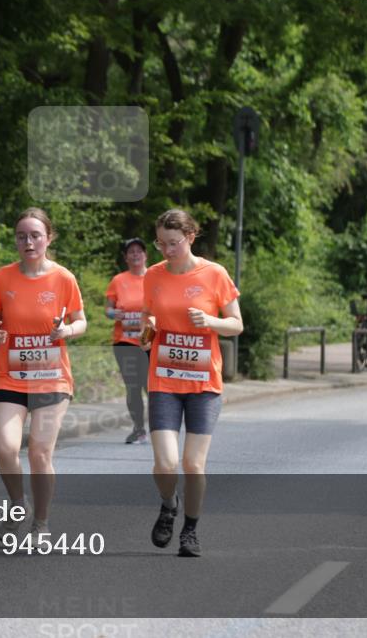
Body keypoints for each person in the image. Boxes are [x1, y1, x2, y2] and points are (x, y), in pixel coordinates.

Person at [140, 209, 242, 557]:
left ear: (190, 237)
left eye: (174, 243)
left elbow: (236, 324)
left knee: (193, 465)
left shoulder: (214, 274)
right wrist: (147, 331)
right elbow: (147, 315)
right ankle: (170, 504)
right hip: (164, 379)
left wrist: (211, 321)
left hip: (203, 383)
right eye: (161, 243)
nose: (167, 250)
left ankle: (190, 530)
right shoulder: (153, 275)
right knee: (165, 463)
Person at [0, 207, 87, 541]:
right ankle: (19, 505)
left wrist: (66, 331)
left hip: (51, 377)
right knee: (5, 447)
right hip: (11, 375)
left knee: (39, 452)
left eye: (35, 236)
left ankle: (41, 523)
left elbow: (81, 321)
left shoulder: (63, 278)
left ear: (48, 238)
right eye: (21, 236)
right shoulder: (2, 278)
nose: (28, 242)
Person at [105, 238, 150, 444]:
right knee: (133, 386)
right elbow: (108, 309)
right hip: (124, 341)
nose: (135, 255)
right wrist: (113, 313)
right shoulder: (118, 280)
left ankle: (161, 427)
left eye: (139, 251)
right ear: (126, 257)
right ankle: (139, 429)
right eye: (131, 252)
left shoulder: (154, 278)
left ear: (145, 255)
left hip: (149, 339)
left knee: (151, 386)